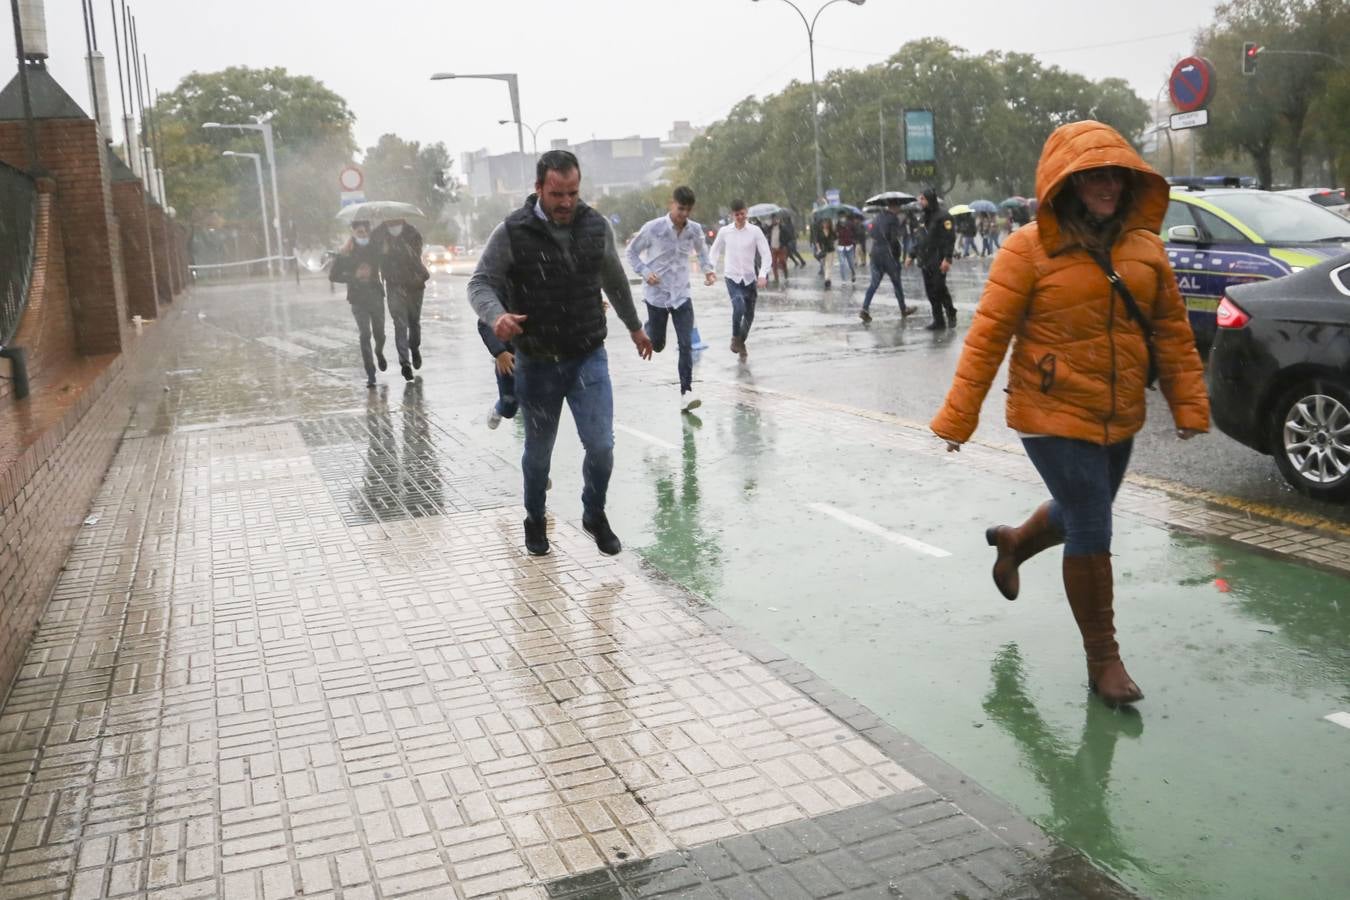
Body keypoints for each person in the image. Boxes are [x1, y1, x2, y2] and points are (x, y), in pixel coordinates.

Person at [930, 120, 1209, 708]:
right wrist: (958, 419)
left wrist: (1188, 404)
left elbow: (1173, 334)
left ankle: (1015, 543)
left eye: (1115, 174)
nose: (1106, 185)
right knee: (1091, 523)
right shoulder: (1026, 249)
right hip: (1049, 412)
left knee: (1089, 507)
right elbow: (987, 338)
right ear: (1067, 183)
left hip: (1119, 410)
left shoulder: (1145, 248)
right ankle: (1104, 661)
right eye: (1092, 176)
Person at [468, 150, 654, 557]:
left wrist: (635, 327)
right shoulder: (512, 232)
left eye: (572, 192)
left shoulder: (595, 225)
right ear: (538, 189)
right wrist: (496, 316)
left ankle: (594, 512)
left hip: (588, 354)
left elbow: (615, 280)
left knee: (602, 446)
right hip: (537, 361)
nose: (566, 202)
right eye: (557, 194)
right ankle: (535, 519)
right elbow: (480, 283)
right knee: (538, 455)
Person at [627, 185, 716, 412]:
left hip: (681, 295)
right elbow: (631, 253)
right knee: (657, 345)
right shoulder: (653, 228)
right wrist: (646, 273)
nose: (684, 214)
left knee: (686, 345)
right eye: (680, 209)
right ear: (671, 204)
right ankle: (645, 329)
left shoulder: (694, 230)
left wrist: (708, 269)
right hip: (656, 296)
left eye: (688, 210)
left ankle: (686, 393)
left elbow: (702, 250)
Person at [707, 199, 771, 360]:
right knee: (739, 306)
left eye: (742, 213)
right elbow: (714, 251)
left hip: (750, 278)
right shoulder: (725, 231)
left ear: (746, 212)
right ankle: (735, 338)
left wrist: (763, 274)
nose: (740, 217)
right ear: (732, 215)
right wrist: (711, 270)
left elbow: (766, 253)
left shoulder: (755, 231)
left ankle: (741, 341)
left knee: (749, 315)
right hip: (732, 277)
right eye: (737, 215)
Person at [329, 219, 387, 387]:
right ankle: (370, 372)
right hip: (357, 299)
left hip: (375, 296)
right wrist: (353, 276)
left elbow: (385, 258)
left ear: (369, 233)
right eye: (359, 232)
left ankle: (379, 351)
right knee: (365, 334)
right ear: (353, 234)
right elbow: (333, 276)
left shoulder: (374, 248)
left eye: (365, 232)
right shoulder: (347, 252)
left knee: (379, 333)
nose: (362, 235)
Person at [374, 217, 429, 381]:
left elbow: (415, 257)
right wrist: (381, 252)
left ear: (402, 219)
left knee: (414, 322)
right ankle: (405, 363)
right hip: (393, 285)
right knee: (400, 324)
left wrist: (397, 248)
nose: (392, 225)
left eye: (395, 221)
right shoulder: (379, 235)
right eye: (389, 221)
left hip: (414, 285)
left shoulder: (413, 234)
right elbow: (374, 258)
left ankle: (414, 348)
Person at [859, 197, 916, 322]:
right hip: (888, 254)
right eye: (899, 206)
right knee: (897, 283)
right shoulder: (893, 219)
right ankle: (903, 309)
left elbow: (872, 233)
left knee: (874, 284)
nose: (900, 209)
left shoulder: (877, 218)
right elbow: (893, 238)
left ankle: (865, 308)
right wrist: (897, 254)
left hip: (875, 253)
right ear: (894, 207)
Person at [909, 188, 957, 330]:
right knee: (930, 291)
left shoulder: (944, 216)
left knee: (939, 288)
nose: (920, 201)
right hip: (925, 259)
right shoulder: (923, 217)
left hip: (939, 257)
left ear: (930, 199)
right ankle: (938, 320)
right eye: (920, 199)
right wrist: (911, 255)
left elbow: (950, 238)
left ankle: (950, 312)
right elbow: (920, 239)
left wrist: (947, 258)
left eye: (923, 199)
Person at [813, 217, 836, 289]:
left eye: (827, 223)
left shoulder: (832, 231)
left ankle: (827, 280)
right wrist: (819, 249)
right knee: (825, 265)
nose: (825, 224)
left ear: (829, 224)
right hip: (823, 251)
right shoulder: (819, 231)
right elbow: (816, 241)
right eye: (824, 223)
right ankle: (828, 278)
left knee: (828, 266)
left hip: (830, 250)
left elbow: (835, 238)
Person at [767, 215, 790, 284]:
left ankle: (786, 274)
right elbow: (766, 234)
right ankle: (776, 278)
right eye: (773, 219)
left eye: (775, 219)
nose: (774, 221)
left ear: (778, 220)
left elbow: (788, 237)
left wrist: (783, 244)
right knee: (774, 264)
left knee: (783, 262)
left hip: (781, 248)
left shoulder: (783, 228)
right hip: (773, 248)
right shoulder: (770, 228)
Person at [836, 215, 858, 283]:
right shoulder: (838, 225)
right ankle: (843, 279)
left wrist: (853, 240)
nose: (842, 218)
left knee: (851, 264)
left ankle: (853, 273)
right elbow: (835, 234)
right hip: (841, 247)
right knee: (842, 263)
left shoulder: (851, 224)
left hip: (849, 247)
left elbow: (856, 233)